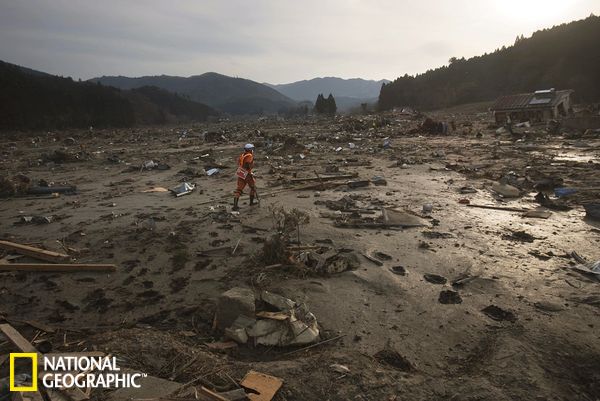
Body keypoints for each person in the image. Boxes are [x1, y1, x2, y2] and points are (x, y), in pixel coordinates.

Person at [233, 143, 257, 210]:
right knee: (253, 187)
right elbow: (247, 164)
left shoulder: (242, 155)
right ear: (250, 150)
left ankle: (235, 206)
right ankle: (251, 202)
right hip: (246, 173)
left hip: (240, 171)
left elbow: (240, 163)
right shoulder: (249, 156)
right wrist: (250, 173)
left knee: (239, 189)